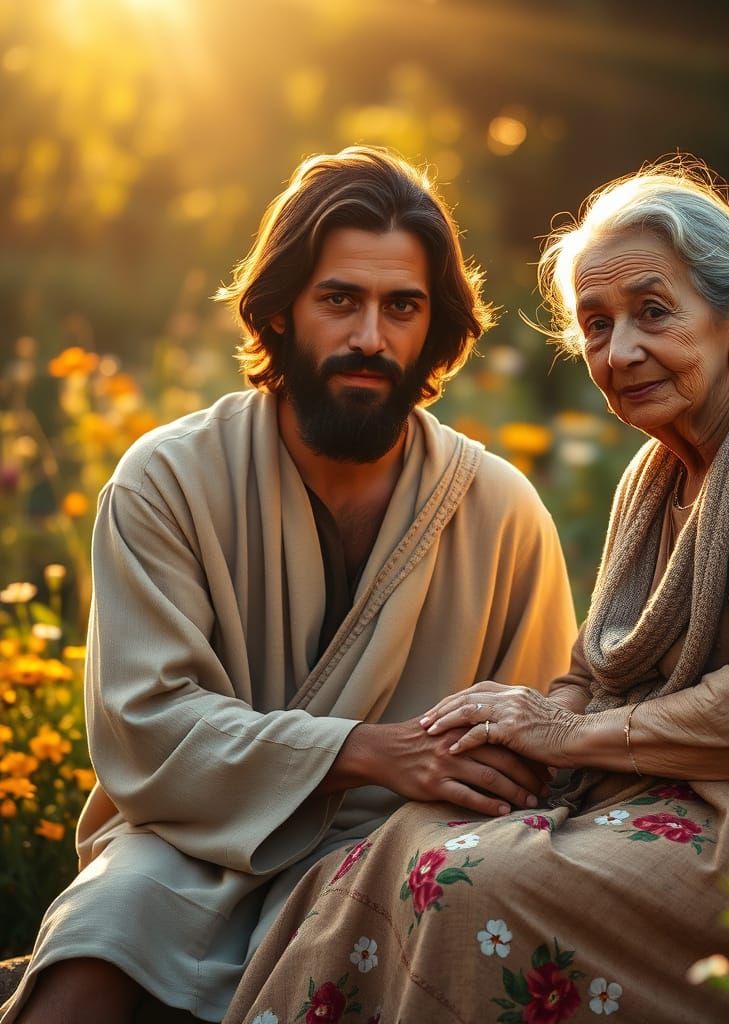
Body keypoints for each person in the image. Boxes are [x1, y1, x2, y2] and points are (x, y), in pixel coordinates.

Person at [220, 159, 729, 1024]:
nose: (619, 351)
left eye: (652, 313)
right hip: (703, 795)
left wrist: (573, 736)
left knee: (472, 887)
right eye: (596, 325)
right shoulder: (660, 468)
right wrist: (517, 732)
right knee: (399, 838)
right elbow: (599, 668)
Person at [1, 147, 578, 1024]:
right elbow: (146, 722)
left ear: (436, 328)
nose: (370, 339)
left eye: (403, 307)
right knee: (98, 945)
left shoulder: (501, 511)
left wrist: (445, 779)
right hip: (196, 841)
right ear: (280, 311)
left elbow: (538, 738)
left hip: (402, 845)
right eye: (340, 299)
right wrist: (364, 751)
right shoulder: (167, 481)